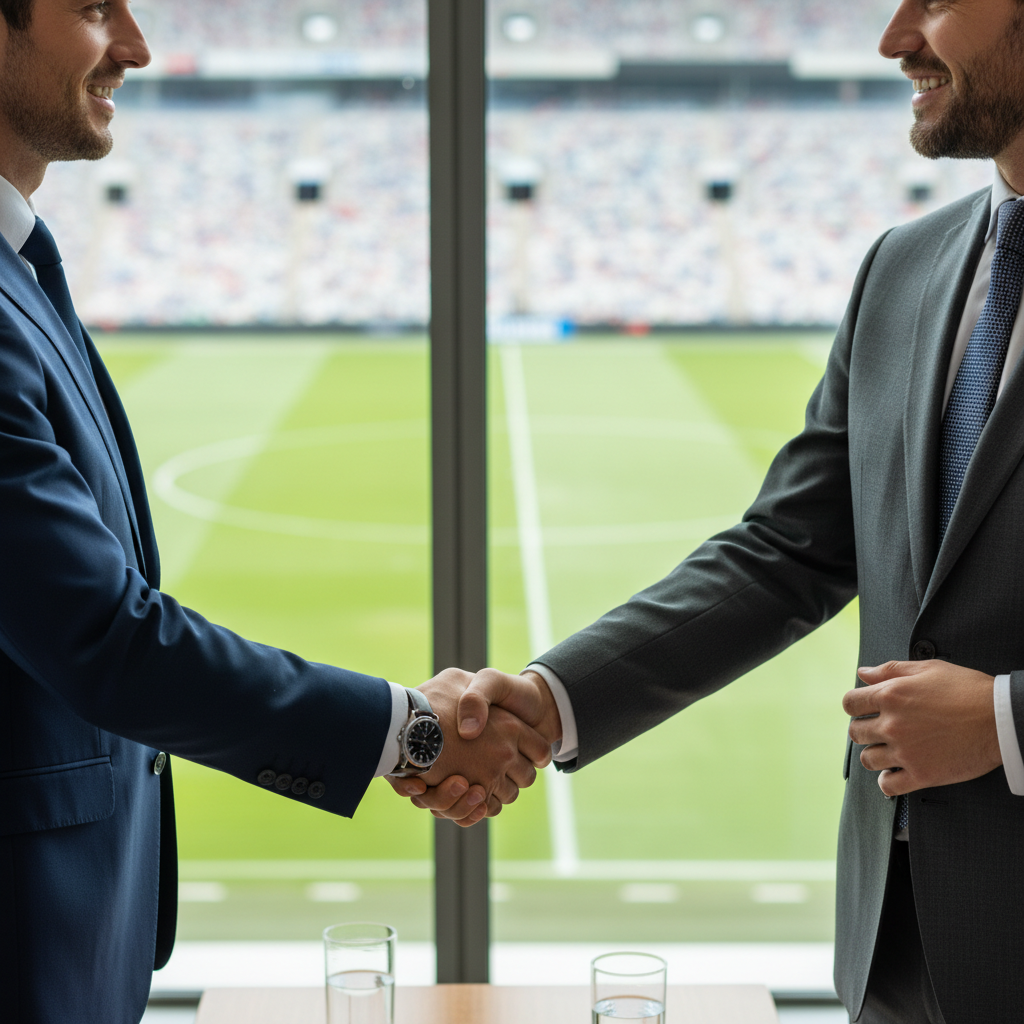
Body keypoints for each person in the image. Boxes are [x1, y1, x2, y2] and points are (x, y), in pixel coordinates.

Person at [408, 1, 1024, 1021]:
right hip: (900, 949)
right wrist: (546, 701)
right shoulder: (903, 268)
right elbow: (785, 553)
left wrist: (1005, 721)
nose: (893, 39)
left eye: (936, 1)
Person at [0, 3, 546, 1022]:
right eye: (90, 9)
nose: (135, 45)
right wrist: (415, 733)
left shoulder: (21, 263)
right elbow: (98, 635)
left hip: (73, 921)